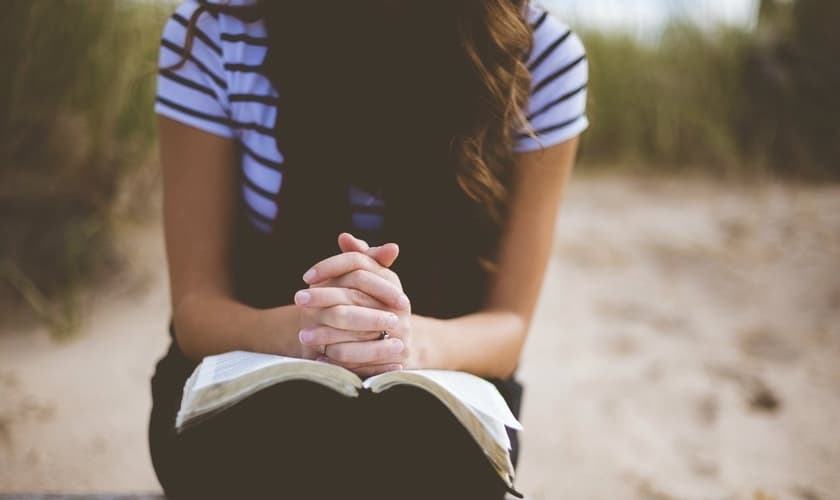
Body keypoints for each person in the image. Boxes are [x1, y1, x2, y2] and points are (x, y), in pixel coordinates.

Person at [148, 0, 588, 498]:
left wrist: (402, 342)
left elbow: (508, 327)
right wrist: (308, 331)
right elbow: (195, 311)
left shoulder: (539, 57)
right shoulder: (216, 31)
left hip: (442, 385)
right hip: (246, 371)